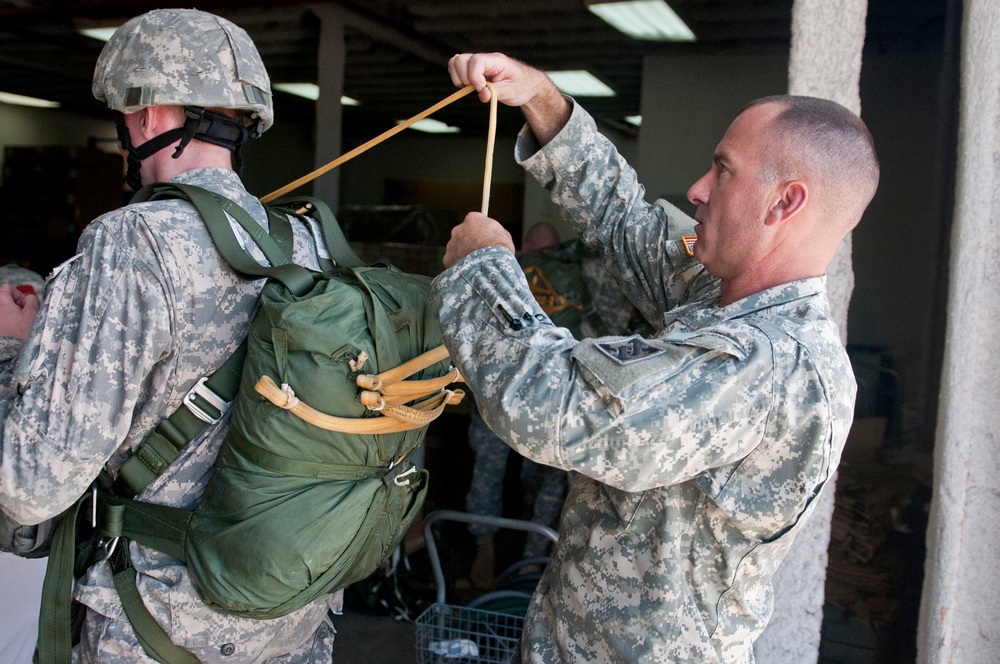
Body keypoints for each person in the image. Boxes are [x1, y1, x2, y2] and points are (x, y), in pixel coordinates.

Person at [430, 52, 879, 662]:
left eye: (723, 171)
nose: (696, 189)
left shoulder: (768, 365)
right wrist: (541, 99)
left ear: (783, 204)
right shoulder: (723, 298)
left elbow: (546, 405)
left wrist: (483, 269)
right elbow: (624, 222)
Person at [0, 9, 340, 662]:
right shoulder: (310, 242)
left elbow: (31, 482)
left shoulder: (130, 244)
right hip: (293, 620)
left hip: (157, 629)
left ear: (151, 114)